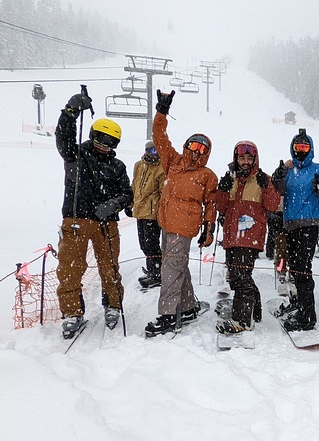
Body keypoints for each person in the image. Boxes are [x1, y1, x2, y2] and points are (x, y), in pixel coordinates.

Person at [54, 92, 133, 338]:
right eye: (100, 138)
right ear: (92, 135)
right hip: (76, 219)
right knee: (70, 268)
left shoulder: (117, 166)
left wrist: (111, 206)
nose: (104, 144)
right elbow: (64, 137)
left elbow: (127, 193)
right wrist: (70, 112)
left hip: (106, 224)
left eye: (110, 141)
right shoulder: (75, 154)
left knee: (109, 268)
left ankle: (113, 305)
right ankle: (72, 313)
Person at [145, 90, 218, 337]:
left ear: (206, 153)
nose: (196, 151)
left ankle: (167, 315)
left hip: (184, 228)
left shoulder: (207, 175)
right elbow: (159, 137)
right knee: (177, 266)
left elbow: (211, 205)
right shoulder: (173, 162)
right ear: (187, 146)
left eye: (202, 149)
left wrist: (209, 230)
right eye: (193, 145)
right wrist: (162, 112)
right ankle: (187, 307)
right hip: (166, 223)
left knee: (171, 270)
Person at [271, 128, 319, 331]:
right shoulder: (289, 170)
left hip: (309, 223)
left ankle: (308, 314)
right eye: (298, 147)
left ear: (311, 149)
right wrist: (277, 176)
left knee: (302, 267)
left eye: (305, 147)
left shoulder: (318, 169)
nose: (301, 151)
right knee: (295, 268)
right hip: (290, 224)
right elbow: (277, 190)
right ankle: (300, 304)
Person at [215, 140, 280, 333]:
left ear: (254, 159)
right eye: (241, 158)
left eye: (248, 158)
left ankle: (242, 320)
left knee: (241, 277)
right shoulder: (231, 178)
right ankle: (255, 311)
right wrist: (223, 190)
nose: (245, 161)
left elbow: (272, 205)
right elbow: (221, 206)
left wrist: (266, 187)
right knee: (236, 278)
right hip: (231, 235)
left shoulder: (262, 179)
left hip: (250, 235)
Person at [129, 140, 164, 290]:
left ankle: (157, 274)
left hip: (152, 213)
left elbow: (163, 193)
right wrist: (130, 204)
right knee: (143, 244)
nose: (153, 154)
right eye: (150, 151)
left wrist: (161, 213)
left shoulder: (161, 169)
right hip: (140, 211)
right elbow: (134, 186)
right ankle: (152, 270)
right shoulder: (139, 165)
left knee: (152, 245)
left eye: (156, 151)